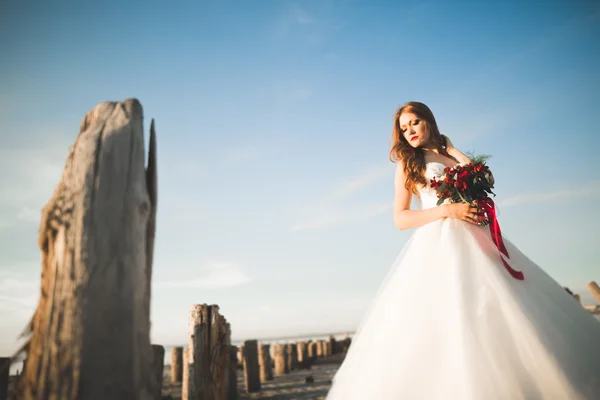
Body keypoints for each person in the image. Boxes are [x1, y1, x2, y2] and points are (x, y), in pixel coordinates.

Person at [325, 102, 600, 399]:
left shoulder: (448, 154)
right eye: (404, 129)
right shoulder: (409, 163)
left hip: (481, 239)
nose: (410, 132)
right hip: (440, 244)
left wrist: (453, 150)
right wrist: (449, 211)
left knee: (501, 307)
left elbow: (487, 181)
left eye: (415, 123)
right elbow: (400, 218)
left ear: (429, 121)